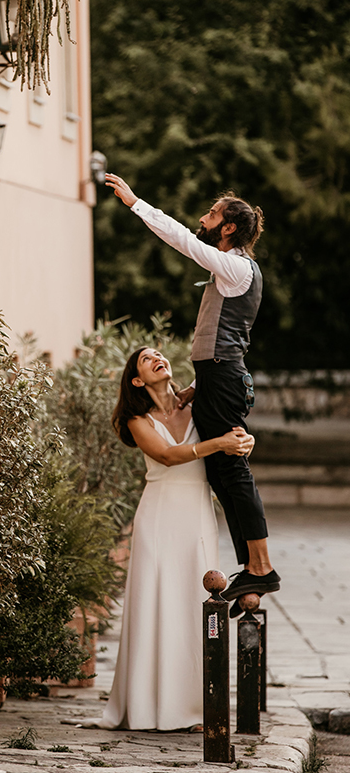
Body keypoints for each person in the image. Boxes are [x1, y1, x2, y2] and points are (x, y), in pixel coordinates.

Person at [104, 173, 280, 611]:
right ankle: (252, 568)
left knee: (233, 471)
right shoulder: (232, 268)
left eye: (213, 213)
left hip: (222, 377)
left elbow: (182, 240)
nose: (204, 218)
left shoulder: (235, 265)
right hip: (216, 379)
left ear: (228, 229)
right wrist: (194, 390)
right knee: (223, 473)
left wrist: (135, 203)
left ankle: (262, 567)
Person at [97, 346, 254, 731]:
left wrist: (242, 442)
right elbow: (167, 455)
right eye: (146, 359)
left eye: (159, 353)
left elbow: (227, 379)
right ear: (137, 380)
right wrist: (219, 444)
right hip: (159, 514)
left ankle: (192, 708)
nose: (157, 358)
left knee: (194, 603)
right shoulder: (137, 418)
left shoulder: (197, 402)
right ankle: (149, 706)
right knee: (157, 604)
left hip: (198, 513)